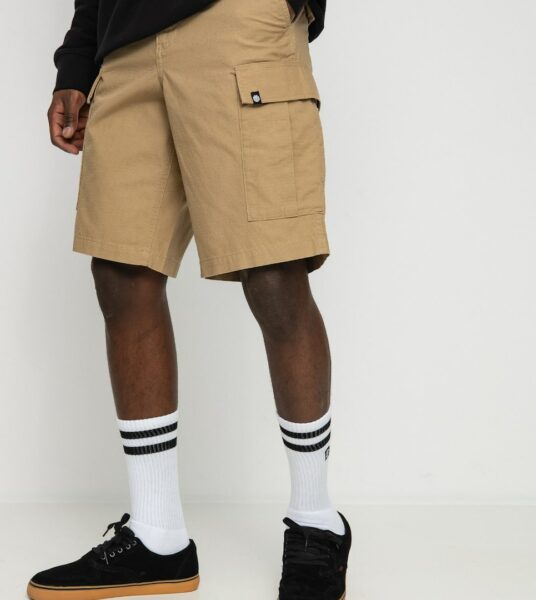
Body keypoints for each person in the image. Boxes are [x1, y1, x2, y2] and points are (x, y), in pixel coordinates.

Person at [28, 0, 352, 598]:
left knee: (274, 271)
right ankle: (157, 535)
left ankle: (316, 520)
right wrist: (76, 61)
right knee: (122, 268)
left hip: (236, 25)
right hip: (123, 47)